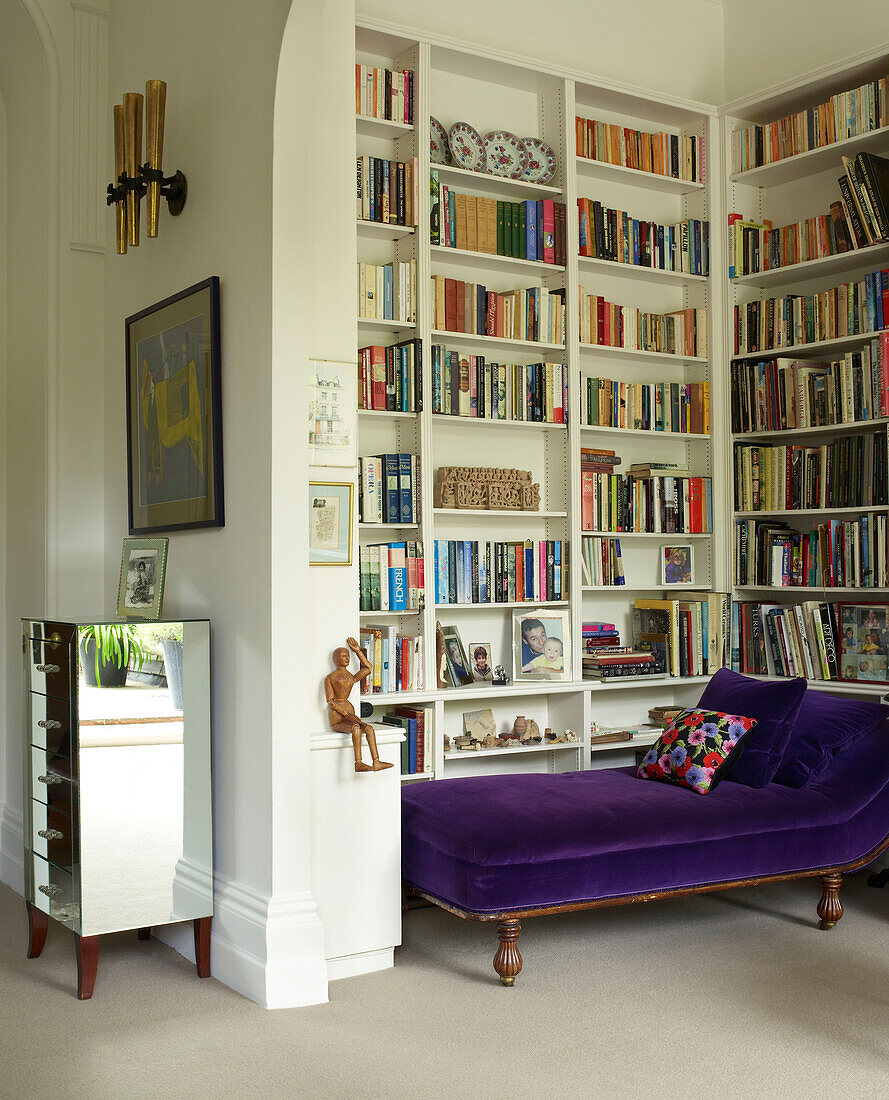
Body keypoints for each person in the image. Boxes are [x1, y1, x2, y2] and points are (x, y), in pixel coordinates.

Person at [324, 638, 393, 773]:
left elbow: (368, 668)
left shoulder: (350, 677)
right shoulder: (330, 678)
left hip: (349, 709)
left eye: (348, 656)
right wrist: (345, 714)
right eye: (344, 656)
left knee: (369, 728)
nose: (347, 658)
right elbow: (330, 701)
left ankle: (376, 761)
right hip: (337, 715)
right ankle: (359, 763)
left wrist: (358, 652)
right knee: (356, 727)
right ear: (336, 659)